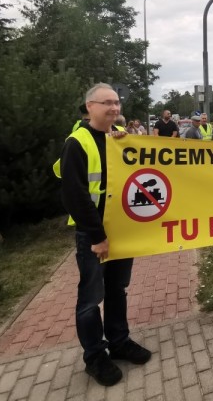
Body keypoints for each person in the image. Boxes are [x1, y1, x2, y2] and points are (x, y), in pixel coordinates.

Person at [58, 83, 151, 387]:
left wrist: (124, 144)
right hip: (94, 235)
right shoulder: (77, 143)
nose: (114, 108)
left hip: (120, 229)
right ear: (89, 107)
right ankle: (95, 357)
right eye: (106, 103)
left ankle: (119, 341)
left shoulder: (115, 139)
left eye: (117, 103)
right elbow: (75, 196)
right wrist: (97, 236)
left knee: (117, 289)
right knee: (90, 298)